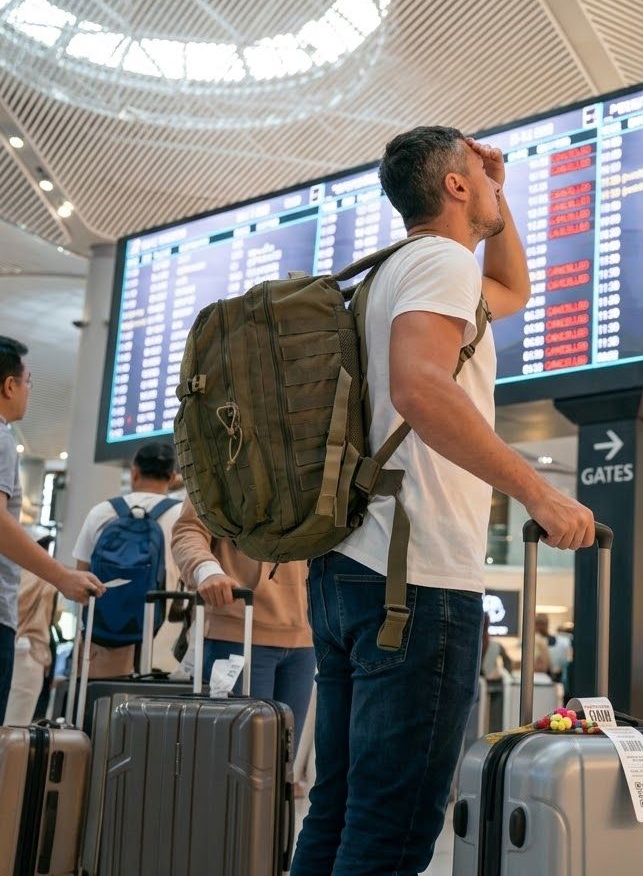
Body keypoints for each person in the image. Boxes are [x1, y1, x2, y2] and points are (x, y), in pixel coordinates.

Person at [290, 127, 594, 876]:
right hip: (413, 578)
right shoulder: (440, 264)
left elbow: (514, 292)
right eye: (481, 177)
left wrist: (503, 196)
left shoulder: (390, 276)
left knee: (340, 807)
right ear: (455, 186)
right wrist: (539, 494)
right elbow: (421, 386)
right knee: (390, 829)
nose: (492, 184)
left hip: (351, 566)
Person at [0, 336, 104, 718]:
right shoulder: (1, 438)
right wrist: (61, 576)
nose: (28, 391)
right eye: (28, 382)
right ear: (9, 385)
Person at [171, 497, 314, 754]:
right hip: (238, 628)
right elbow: (189, 530)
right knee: (235, 759)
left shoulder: (312, 458)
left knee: (282, 763)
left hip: (304, 638)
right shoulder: (218, 458)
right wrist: (207, 570)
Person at [71, 441, 181, 677]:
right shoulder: (183, 516)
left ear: (134, 472)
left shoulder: (101, 512)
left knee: (101, 708)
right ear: (172, 477)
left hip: (104, 639)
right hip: (165, 645)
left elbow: (80, 576)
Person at [4, 539, 60, 724]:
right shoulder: (49, 579)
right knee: (17, 726)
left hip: (9, 642)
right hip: (33, 651)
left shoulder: (13, 573)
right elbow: (56, 616)